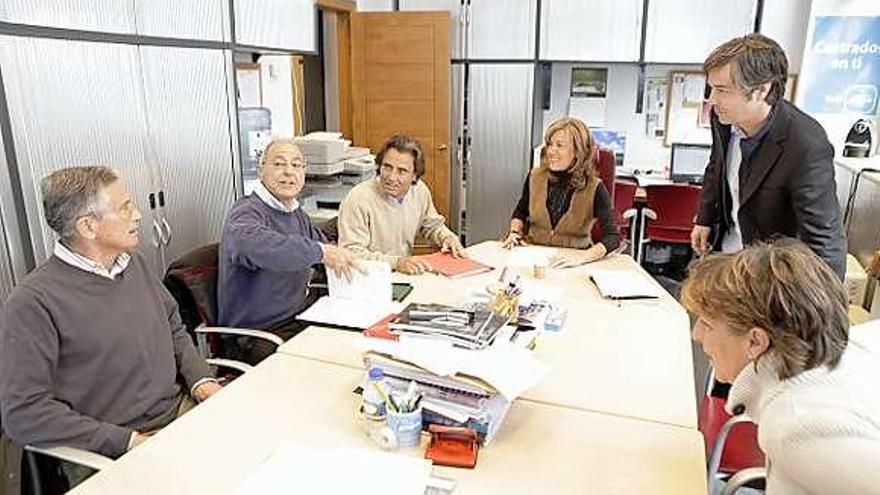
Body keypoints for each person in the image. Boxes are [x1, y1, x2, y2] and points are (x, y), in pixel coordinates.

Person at [0, 166, 220, 483]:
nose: (139, 215)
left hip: (179, 414)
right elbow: (23, 414)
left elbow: (172, 325)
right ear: (88, 226)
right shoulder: (32, 302)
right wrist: (129, 442)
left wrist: (202, 381)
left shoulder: (135, 264)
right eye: (125, 207)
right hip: (112, 449)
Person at [682, 239, 880, 494]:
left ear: (755, 341)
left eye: (706, 324)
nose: (695, 334)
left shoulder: (794, 425)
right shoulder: (851, 346)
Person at [690, 33, 846, 279]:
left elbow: (823, 241)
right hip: (725, 253)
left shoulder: (806, 144)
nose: (712, 99)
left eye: (721, 90)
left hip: (770, 273)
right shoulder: (723, 118)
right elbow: (715, 165)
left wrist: (818, 311)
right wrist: (705, 217)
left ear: (762, 89)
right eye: (711, 88)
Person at [218, 138, 360, 362]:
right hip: (258, 334)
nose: (288, 172)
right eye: (278, 164)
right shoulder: (246, 212)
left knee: (350, 347)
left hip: (297, 317)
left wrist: (355, 266)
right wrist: (320, 252)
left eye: (296, 165)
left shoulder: (295, 213)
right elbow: (257, 245)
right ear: (260, 170)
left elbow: (324, 250)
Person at [337, 135, 465, 275]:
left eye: (401, 171)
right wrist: (397, 263)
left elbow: (432, 226)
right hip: (370, 278)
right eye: (387, 167)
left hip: (403, 273)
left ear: (414, 176)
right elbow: (352, 254)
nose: (391, 177)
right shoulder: (358, 198)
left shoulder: (419, 190)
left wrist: (447, 237)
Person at [501, 117, 619, 267]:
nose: (551, 151)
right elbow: (520, 211)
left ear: (578, 151)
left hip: (573, 261)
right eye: (550, 144)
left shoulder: (595, 188)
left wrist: (583, 257)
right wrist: (514, 233)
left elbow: (612, 237)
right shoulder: (535, 176)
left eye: (559, 145)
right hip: (533, 257)